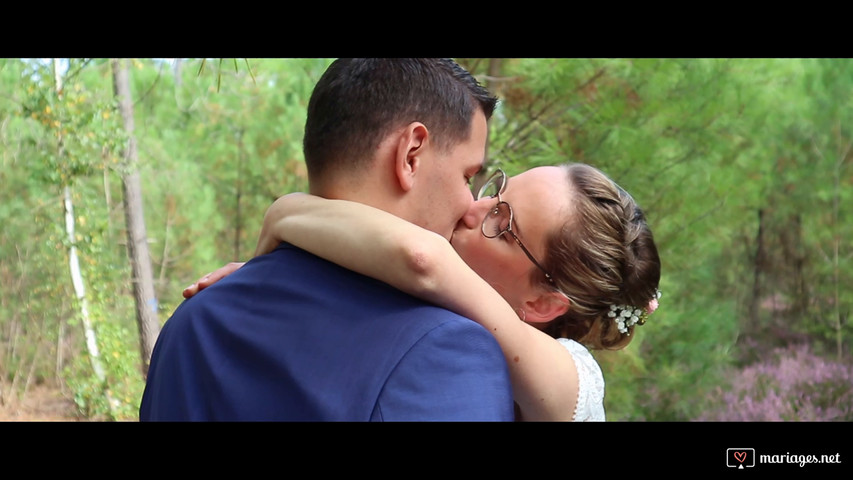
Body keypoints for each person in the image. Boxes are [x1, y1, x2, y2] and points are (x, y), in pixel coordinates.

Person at [138, 58, 516, 421]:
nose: (470, 206)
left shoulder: (191, 321)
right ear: (411, 155)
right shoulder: (444, 353)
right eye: (467, 177)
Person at [188, 162, 662, 421]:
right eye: (496, 189)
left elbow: (424, 261)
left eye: (502, 220)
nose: (475, 207)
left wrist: (283, 216)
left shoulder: (576, 383)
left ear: (542, 303)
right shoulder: (441, 318)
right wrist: (277, 278)